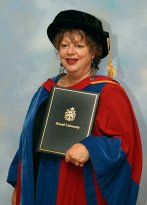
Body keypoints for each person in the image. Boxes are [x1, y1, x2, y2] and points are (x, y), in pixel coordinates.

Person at [7, 9, 142, 205]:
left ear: (93, 51)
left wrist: (90, 148)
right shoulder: (45, 91)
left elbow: (124, 145)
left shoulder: (108, 92)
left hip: (75, 190)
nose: (70, 52)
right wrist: (19, 185)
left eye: (79, 45)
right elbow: (26, 140)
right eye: (64, 45)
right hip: (37, 187)